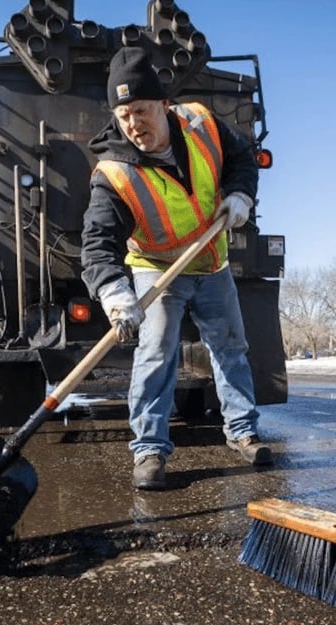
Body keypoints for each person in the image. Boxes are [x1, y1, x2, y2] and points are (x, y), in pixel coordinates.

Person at [81, 46, 272, 491]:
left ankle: (243, 432)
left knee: (230, 348)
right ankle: (149, 449)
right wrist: (113, 291)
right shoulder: (113, 172)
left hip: (211, 262)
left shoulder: (202, 123)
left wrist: (240, 194)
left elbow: (242, 158)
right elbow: (97, 241)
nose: (133, 124)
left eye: (142, 111)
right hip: (156, 269)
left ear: (164, 105)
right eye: (123, 115)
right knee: (155, 354)